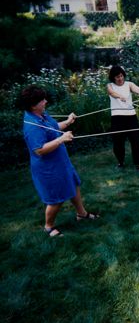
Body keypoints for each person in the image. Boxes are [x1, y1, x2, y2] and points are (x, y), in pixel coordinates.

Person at [22, 85, 99, 237]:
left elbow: (54, 127)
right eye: (42, 100)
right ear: (33, 105)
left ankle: (81, 214)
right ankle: (49, 226)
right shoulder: (31, 126)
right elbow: (39, 150)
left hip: (60, 162)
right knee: (55, 199)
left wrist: (68, 122)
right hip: (48, 169)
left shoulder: (41, 115)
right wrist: (61, 139)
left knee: (74, 185)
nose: (45, 102)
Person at [107, 65, 139, 172]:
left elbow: (138, 90)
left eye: (121, 76)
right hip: (117, 117)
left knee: (136, 140)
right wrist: (120, 96)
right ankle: (120, 162)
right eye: (117, 77)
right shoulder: (110, 85)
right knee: (118, 142)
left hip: (131, 117)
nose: (120, 78)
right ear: (113, 77)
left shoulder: (129, 84)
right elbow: (111, 93)